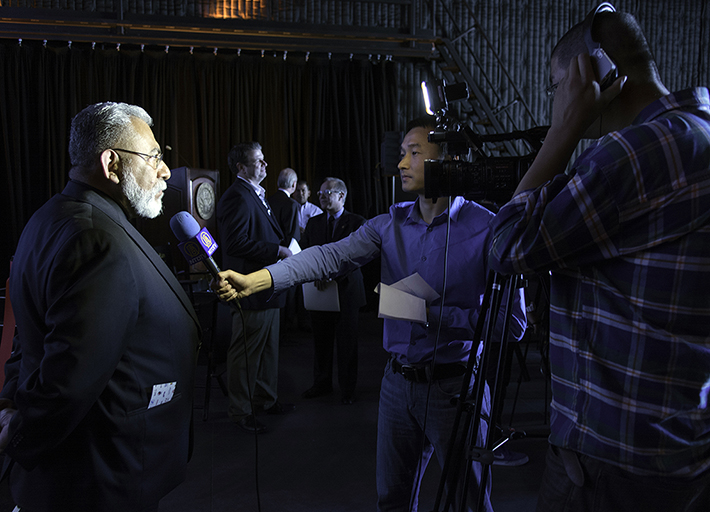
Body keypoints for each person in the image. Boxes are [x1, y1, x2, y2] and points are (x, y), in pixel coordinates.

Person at [213, 117, 527, 511]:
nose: (401, 164)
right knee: (392, 502)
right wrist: (258, 280)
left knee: (468, 502)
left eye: (414, 153)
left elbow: (513, 325)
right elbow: (329, 256)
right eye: (402, 154)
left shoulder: (487, 227)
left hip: (456, 390)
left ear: (449, 160)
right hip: (397, 387)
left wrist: (434, 315)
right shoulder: (388, 223)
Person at [488, 5, 710, 511]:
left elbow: (505, 244)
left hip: (609, 464)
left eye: (556, 85)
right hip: (677, 446)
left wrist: (563, 131)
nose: (555, 98)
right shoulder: (698, 130)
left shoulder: (639, 151)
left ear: (597, 74)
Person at [0, 102, 201, 512]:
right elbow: (68, 377)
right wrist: (16, 433)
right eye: (154, 157)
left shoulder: (50, 216)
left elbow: (30, 332)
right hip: (100, 477)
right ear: (111, 163)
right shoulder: (97, 240)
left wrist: (8, 402)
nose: (165, 170)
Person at [216, 141, 295, 434]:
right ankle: (241, 410)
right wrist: (278, 251)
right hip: (250, 288)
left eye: (264, 160)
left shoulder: (254, 193)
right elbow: (235, 243)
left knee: (267, 351)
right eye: (258, 160)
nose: (265, 165)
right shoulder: (236, 196)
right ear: (241, 167)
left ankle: (265, 398)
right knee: (246, 353)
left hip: (267, 287)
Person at [300, 177, 366, 405]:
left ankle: (347, 389)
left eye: (326, 193)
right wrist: (318, 273)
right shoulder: (314, 223)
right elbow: (307, 252)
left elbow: (359, 255)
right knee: (321, 341)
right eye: (319, 193)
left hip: (346, 290)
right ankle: (322, 383)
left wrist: (331, 273)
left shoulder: (358, 222)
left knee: (347, 343)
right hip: (320, 291)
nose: (321, 197)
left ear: (341, 196)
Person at [268, 167, 301, 246]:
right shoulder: (291, 204)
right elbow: (293, 235)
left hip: (269, 247)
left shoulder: (267, 200)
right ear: (294, 184)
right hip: (285, 251)